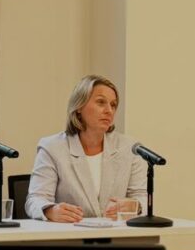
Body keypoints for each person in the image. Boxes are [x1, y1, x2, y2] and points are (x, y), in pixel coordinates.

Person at [25, 75, 147, 223]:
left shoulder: (130, 148)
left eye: (113, 105)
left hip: (116, 238)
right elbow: (35, 199)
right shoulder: (52, 147)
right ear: (79, 107)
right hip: (70, 239)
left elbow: (143, 199)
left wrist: (134, 206)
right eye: (101, 102)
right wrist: (50, 210)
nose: (109, 110)